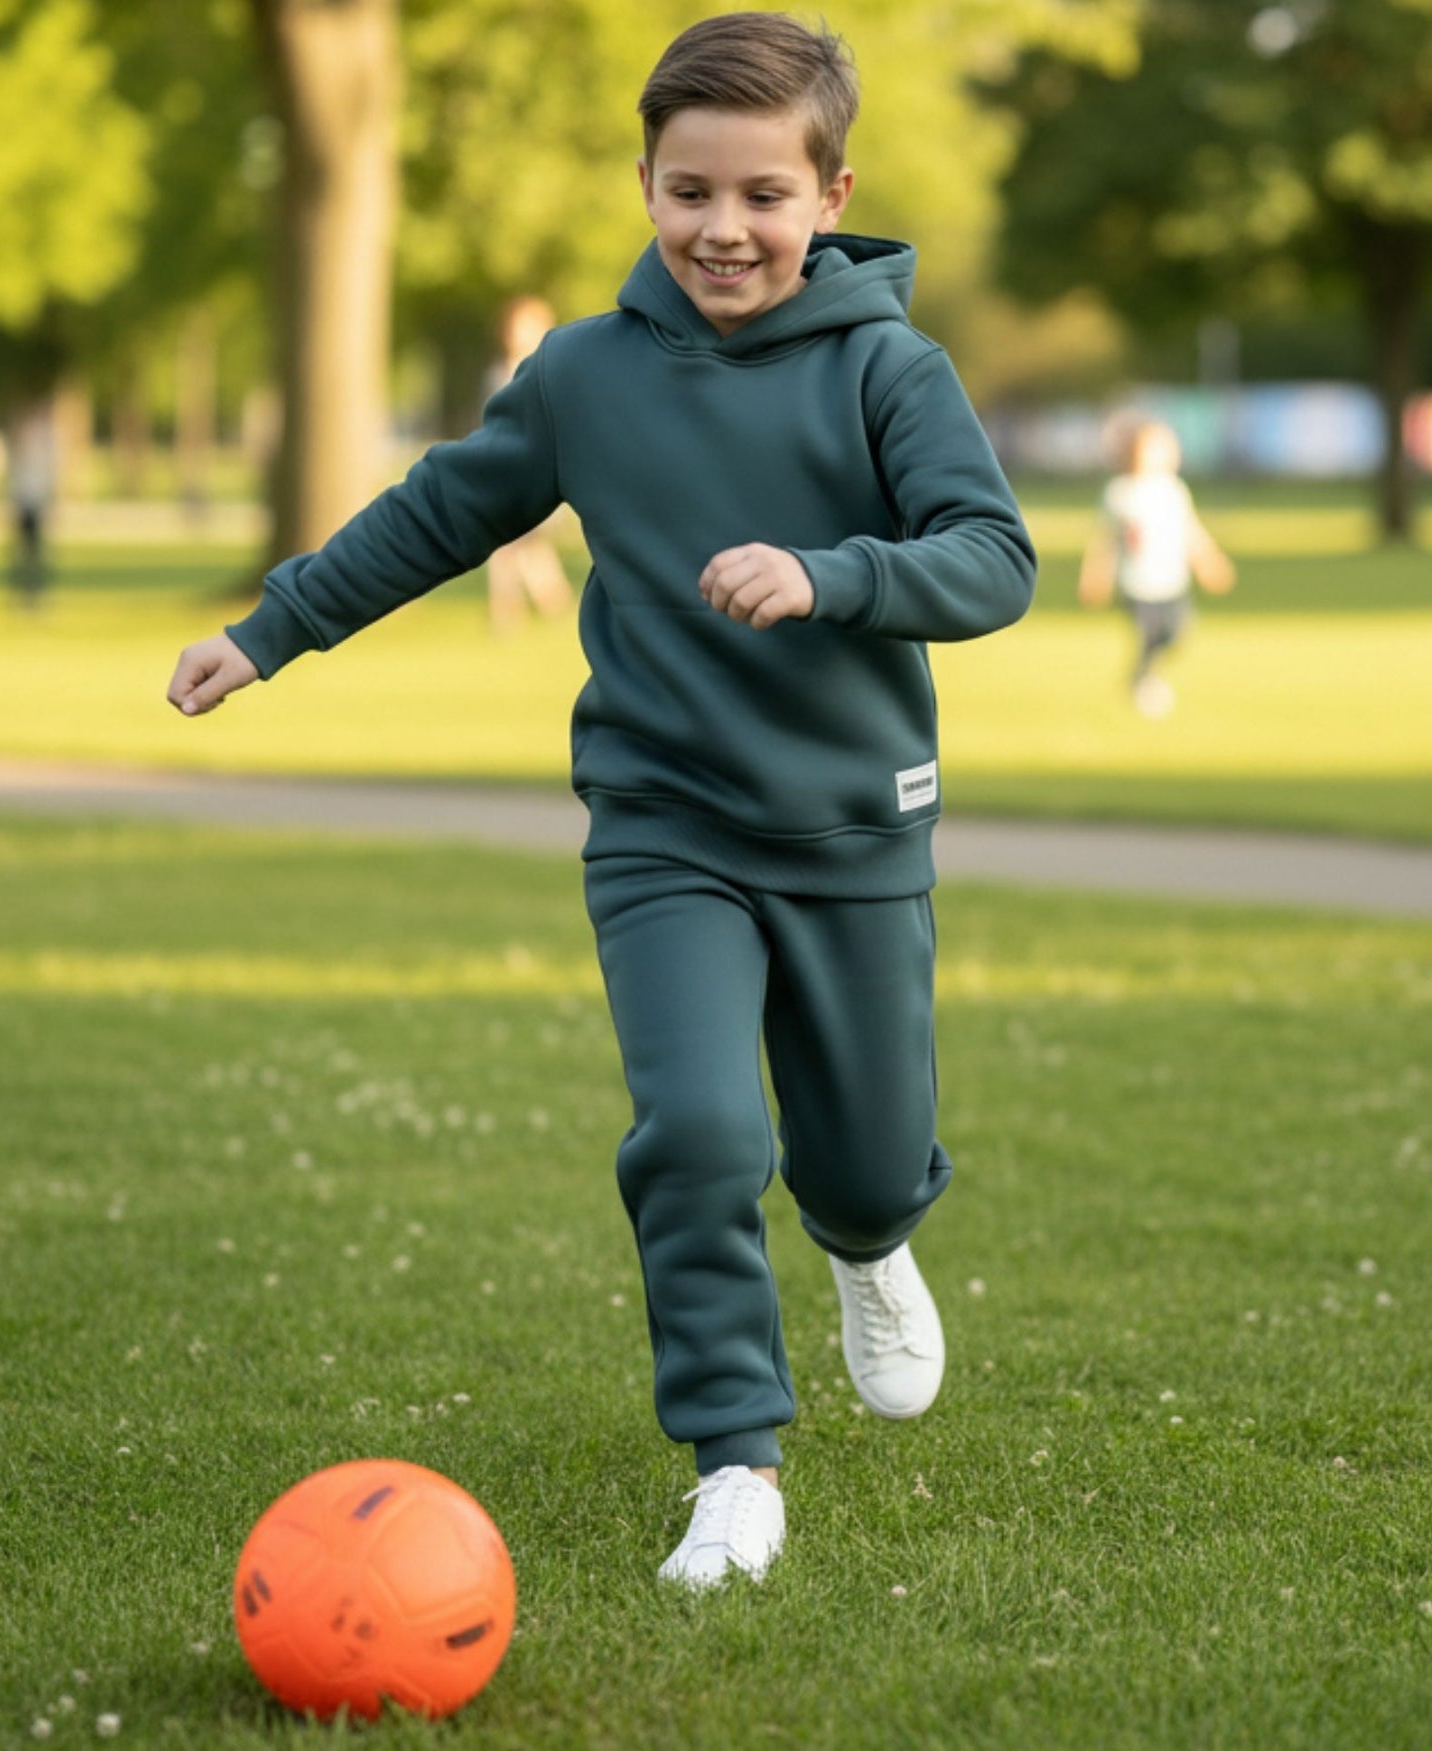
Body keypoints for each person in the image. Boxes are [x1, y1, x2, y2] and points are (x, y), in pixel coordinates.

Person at [166, 11, 1035, 1588]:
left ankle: (869, 1237)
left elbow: (994, 559)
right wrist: (265, 628)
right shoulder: (582, 373)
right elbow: (434, 514)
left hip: (850, 826)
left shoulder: (891, 370)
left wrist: (834, 576)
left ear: (832, 194)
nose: (723, 226)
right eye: (689, 189)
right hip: (664, 824)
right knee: (697, 1133)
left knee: (862, 1153)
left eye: (764, 194)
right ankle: (735, 1461)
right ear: (644, 181)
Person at [1079, 419, 1235, 716]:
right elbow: (1104, 541)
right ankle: (1141, 679)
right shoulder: (1121, 493)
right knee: (1149, 633)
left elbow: (1191, 531)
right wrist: (1095, 577)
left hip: (1172, 580)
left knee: (1177, 631)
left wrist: (1210, 563)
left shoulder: (1174, 490)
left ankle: (1143, 676)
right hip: (1137, 583)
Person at [481, 296, 577, 630]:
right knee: (512, 547)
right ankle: (520, 609)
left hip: (536, 475)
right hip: (505, 473)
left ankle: (531, 606)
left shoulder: (548, 371)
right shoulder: (498, 373)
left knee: (518, 547)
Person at [4, 398, 57, 607]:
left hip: (36, 501)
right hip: (23, 502)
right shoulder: (20, 447)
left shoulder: (44, 442)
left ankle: (35, 593)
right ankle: (23, 593)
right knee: (22, 550)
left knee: (36, 551)